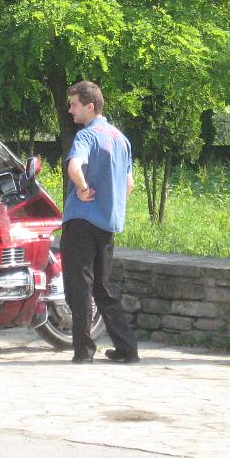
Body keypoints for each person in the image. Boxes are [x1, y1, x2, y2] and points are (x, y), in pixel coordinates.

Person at [61, 80, 140, 364]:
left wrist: (82, 188)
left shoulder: (86, 136)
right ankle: (127, 348)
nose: (70, 110)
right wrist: (111, 202)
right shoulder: (121, 139)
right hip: (107, 223)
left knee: (78, 287)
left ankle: (83, 351)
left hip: (81, 220)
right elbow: (129, 184)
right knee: (103, 288)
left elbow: (74, 166)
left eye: (74, 105)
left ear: (90, 106)